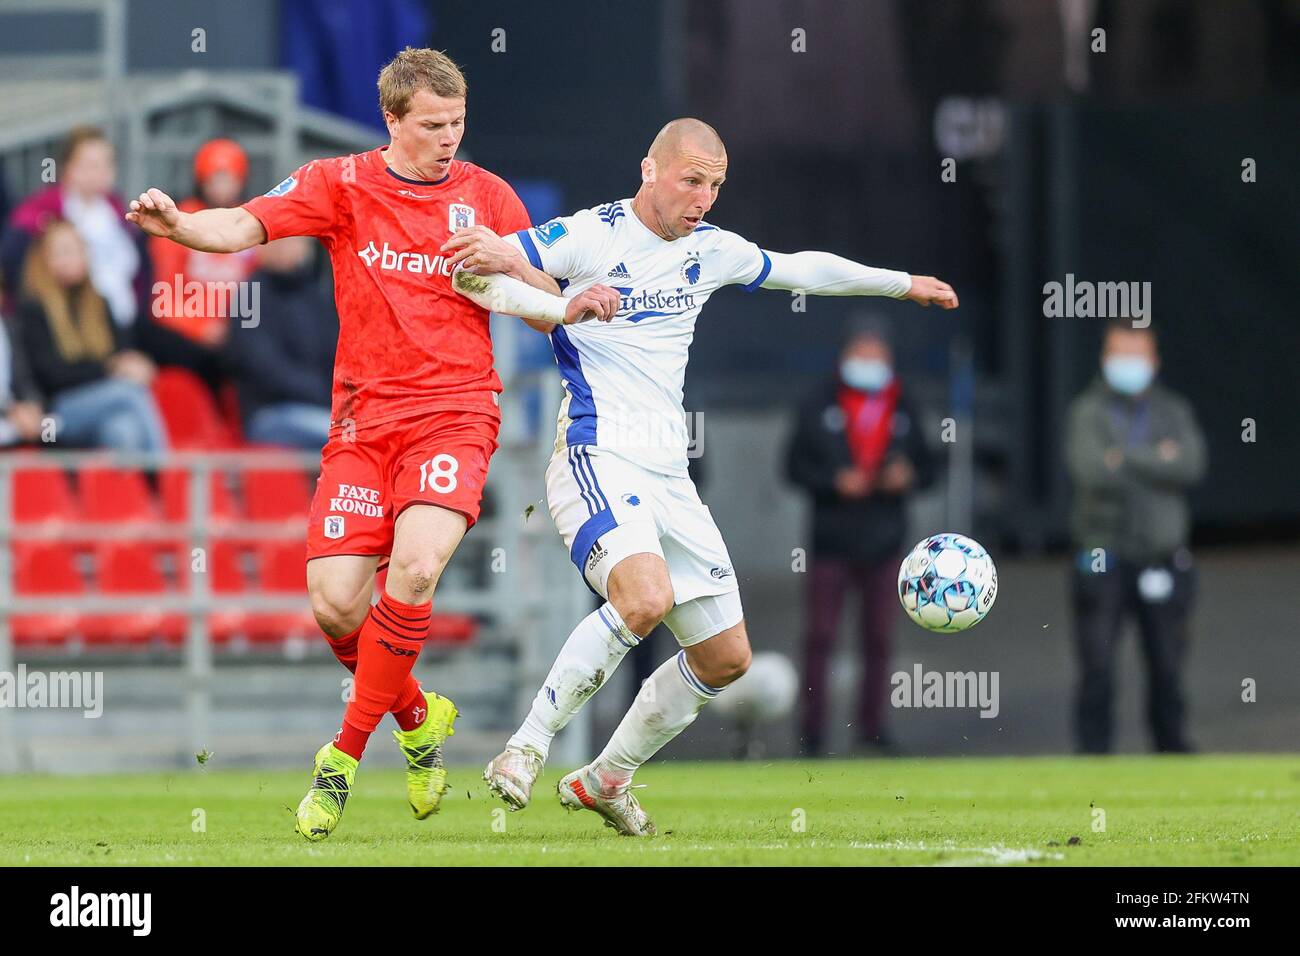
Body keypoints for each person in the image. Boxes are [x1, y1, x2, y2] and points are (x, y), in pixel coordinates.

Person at [125, 47, 618, 841]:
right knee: (333, 605)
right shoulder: (341, 184)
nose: (448, 138)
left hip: (455, 413)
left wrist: (548, 286)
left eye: (457, 122)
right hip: (361, 425)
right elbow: (245, 223)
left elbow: (536, 301)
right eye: (431, 125)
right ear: (391, 120)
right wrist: (180, 226)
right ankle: (419, 719)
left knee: (417, 570)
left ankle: (342, 760)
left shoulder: (488, 195)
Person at [450, 117, 958, 835]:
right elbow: (494, 265)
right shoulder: (593, 233)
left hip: (667, 474)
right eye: (692, 180)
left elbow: (800, 268)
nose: (704, 198)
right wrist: (517, 268)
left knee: (725, 658)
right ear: (649, 169)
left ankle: (605, 777)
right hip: (598, 454)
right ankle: (527, 747)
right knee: (644, 598)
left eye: (716, 184)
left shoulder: (710, 251)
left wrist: (900, 285)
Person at [785, 320, 935, 755]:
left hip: (887, 540)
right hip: (831, 539)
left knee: (880, 639)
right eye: (862, 356)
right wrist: (834, 481)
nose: (869, 365)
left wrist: (906, 476)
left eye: (877, 358)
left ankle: (872, 729)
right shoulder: (818, 402)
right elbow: (792, 466)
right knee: (820, 637)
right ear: (846, 356)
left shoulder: (905, 402)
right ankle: (811, 733)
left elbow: (929, 468)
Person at [1064, 320, 1206, 754]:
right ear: (1105, 360)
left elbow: (1190, 466)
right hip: (1102, 556)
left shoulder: (1174, 411)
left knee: (1167, 666)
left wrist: (1122, 457)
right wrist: (1155, 459)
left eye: (1137, 354)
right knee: (1098, 665)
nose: (1129, 364)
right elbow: (1091, 471)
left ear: (1154, 361)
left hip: (1162, 556)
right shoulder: (1087, 411)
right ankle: (1092, 762)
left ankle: (1172, 756)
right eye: (1119, 354)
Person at [14, 220, 167, 452]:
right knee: (129, 392)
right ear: (43, 260)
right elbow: (52, 376)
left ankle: (132, 489)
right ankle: (168, 478)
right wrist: (110, 368)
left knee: (122, 429)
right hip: (54, 414)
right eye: (63, 251)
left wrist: (133, 364)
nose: (73, 257)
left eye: (78, 249)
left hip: (101, 406)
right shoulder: (33, 309)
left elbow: (121, 354)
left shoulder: (100, 303)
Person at [3, 127, 148, 327]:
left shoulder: (119, 210)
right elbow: (13, 264)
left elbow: (140, 272)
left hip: (128, 320)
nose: (101, 172)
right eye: (90, 164)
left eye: (107, 163)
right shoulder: (42, 212)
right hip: (73, 327)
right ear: (67, 168)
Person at [147, 138, 260, 394]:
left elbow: (258, 290)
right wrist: (201, 327)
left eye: (229, 178)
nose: (222, 187)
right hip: (188, 336)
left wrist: (235, 328)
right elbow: (163, 297)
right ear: (201, 179)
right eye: (215, 178)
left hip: (236, 332)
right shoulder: (179, 220)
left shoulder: (248, 221)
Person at [225, 236, 335, 450]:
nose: (287, 248)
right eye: (279, 241)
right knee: (348, 438)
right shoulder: (250, 296)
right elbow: (261, 366)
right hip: (269, 413)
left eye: (294, 241)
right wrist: (322, 393)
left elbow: (338, 355)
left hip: (324, 409)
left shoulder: (316, 295)